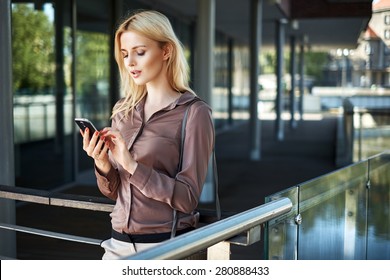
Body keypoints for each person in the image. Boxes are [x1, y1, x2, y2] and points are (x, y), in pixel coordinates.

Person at [80, 10, 214, 259]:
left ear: (166, 51)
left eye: (139, 52)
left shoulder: (194, 113)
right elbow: (114, 191)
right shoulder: (123, 110)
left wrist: (132, 164)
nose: (130, 62)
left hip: (165, 248)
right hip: (116, 244)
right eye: (125, 54)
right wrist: (102, 164)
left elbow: (187, 198)